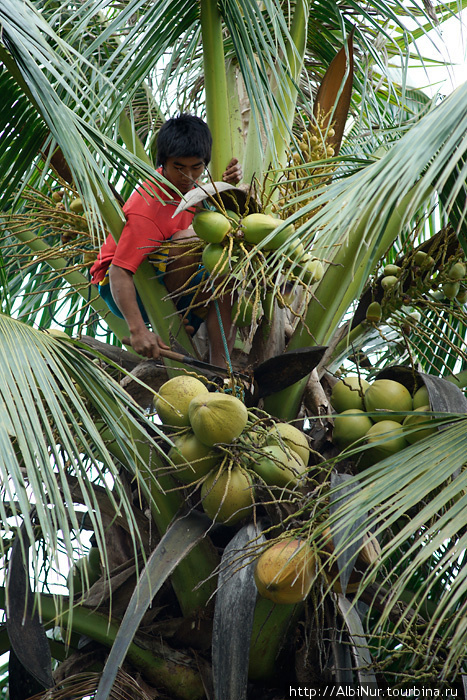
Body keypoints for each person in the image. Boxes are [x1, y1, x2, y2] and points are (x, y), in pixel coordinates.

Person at [90, 114, 242, 368]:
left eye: (196, 167)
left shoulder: (197, 190)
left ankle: (221, 371)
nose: (188, 176)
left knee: (227, 266)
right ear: (163, 164)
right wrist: (138, 330)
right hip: (126, 287)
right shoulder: (148, 206)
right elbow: (120, 271)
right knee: (191, 239)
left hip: (170, 274)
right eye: (179, 167)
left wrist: (225, 186)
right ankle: (174, 320)